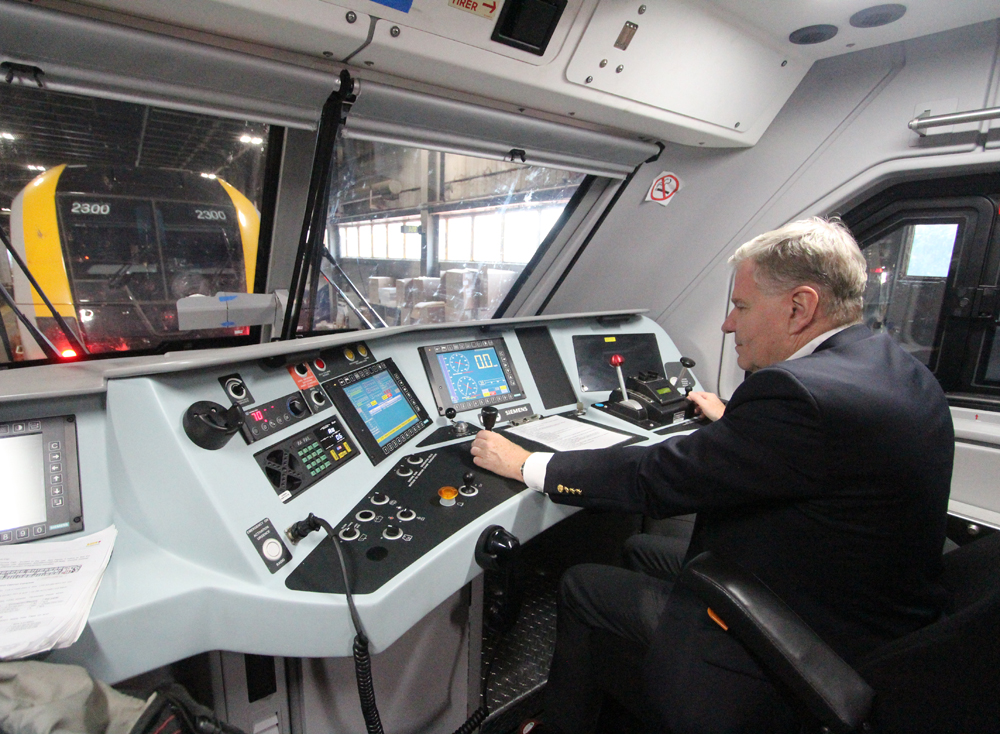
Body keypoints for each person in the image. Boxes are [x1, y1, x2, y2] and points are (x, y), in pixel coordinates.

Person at [470, 218, 954, 734]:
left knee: (584, 586)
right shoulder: (889, 365)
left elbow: (656, 479)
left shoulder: (800, 396)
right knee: (637, 551)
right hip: (868, 609)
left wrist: (526, 463)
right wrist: (740, 426)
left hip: (810, 639)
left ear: (800, 307)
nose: (727, 325)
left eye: (742, 306)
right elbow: (820, 453)